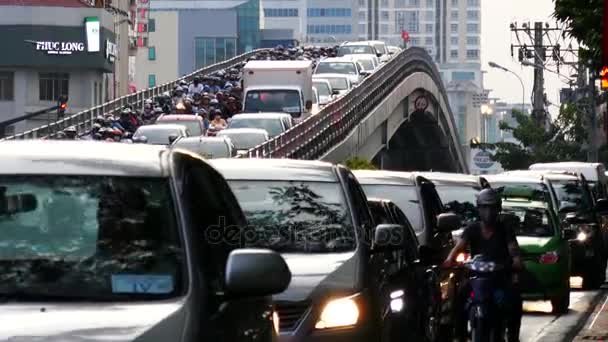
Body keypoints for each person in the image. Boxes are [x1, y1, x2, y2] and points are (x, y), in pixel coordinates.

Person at [443, 188, 523, 342]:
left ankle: (513, 337)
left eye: (492, 207)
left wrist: (516, 261)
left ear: (498, 209)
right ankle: (459, 335)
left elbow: (513, 249)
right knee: (458, 299)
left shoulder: (504, 229)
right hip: (476, 279)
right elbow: (459, 246)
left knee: (513, 302)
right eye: (484, 207)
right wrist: (449, 259)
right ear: (478, 209)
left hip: (500, 278)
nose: (488, 212)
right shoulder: (472, 228)